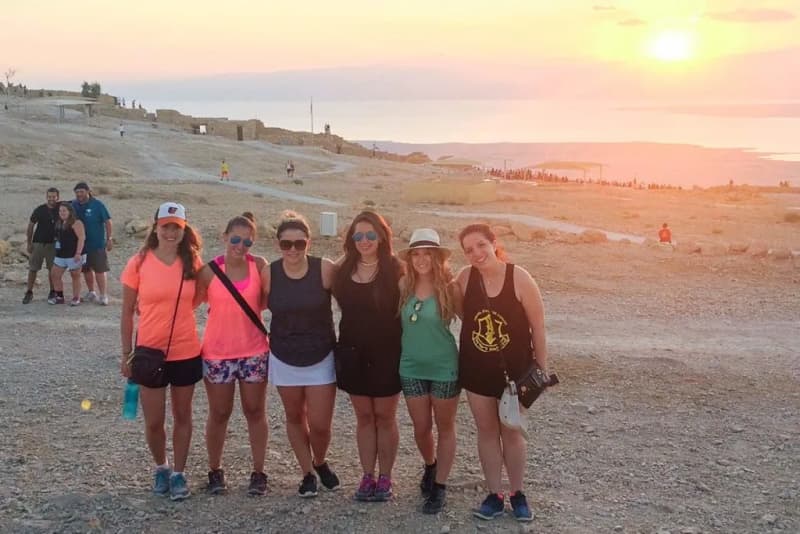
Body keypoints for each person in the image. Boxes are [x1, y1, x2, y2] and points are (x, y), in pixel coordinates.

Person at [456, 223, 549, 522]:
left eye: (481, 245)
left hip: (516, 374)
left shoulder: (519, 278)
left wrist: (542, 371)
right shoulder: (465, 278)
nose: (476, 253)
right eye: (469, 250)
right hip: (476, 371)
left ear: (494, 243)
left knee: (512, 432)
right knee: (486, 431)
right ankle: (494, 495)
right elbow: (457, 311)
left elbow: (538, 327)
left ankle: (517, 493)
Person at [120, 202, 204, 501]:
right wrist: (126, 354)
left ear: (184, 230)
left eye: (176, 227)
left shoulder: (193, 262)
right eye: (165, 226)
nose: (170, 232)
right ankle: (161, 467)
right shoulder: (138, 263)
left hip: (186, 350)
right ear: (156, 227)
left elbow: (197, 299)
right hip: (148, 352)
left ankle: (179, 473)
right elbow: (127, 312)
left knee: (183, 415)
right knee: (154, 421)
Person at [264, 211, 340, 498]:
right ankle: (307, 472)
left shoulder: (324, 269)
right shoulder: (269, 273)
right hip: (284, 355)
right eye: (286, 244)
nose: (293, 249)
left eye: (300, 243)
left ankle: (320, 460)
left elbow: (352, 298)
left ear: (309, 242)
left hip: (321, 355)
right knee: (294, 416)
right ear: (278, 245)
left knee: (320, 425)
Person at [196, 212, 270, 496]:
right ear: (224, 237)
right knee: (219, 413)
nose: (240, 246)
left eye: (247, 242)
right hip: (218, 353)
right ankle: (215, 470)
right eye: (235, 240)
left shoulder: (259, 266)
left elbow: (267, 301)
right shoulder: (208, 271)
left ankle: (259, 472)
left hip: (254, 351)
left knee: (255, 411)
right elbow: (189, 301)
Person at [333, 210, 404, 502]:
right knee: (363, 417)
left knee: (385, 416)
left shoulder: (397, 269)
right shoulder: (342, 269)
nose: (364, 241)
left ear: (382, 237)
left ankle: (385, 476)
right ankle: (367, 475)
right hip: (353, 353)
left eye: (370, 235)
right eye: (358, 236)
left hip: (388, 353)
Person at [397, 228, 462, 514]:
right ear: (410, 258)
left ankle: (440, 486)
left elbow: (472, 322)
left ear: (437, 257)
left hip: (444, 366)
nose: (421, 259)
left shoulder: (450, 288)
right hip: (410, 366)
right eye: (416, 254)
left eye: (427, 253)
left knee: (445, 427)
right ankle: (430, 465)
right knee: (421, 427)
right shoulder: (403, 285)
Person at [71, 182, 113, 305]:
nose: (79, 194)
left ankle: (103, 295)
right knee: (86, 269)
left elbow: (108, 222)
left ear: (88, 191)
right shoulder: (73, 205)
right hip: (80, 244)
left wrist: (109, 238)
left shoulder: (98, 205)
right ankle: (91, 292)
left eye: (81, 192)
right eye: (77, 192)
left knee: (100, 270)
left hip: (96, 244)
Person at [24, 187, 60, 304]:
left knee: (52, 270)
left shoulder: (61, 208)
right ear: (46, 197)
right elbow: (31, 226)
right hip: (38, 243)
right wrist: (29, 243)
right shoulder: (39, 209)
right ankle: (29, 292)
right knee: (33, 268)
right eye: (49, 196)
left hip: (53, 244)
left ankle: (52, 291)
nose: (51, 199)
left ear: (58, 197)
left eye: (54, 197)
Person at [48, 202, 86, 306]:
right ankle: (59, 297)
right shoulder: (59, 222)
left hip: (73, 254)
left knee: (75, 276)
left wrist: (78, 253)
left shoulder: (76, 223)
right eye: (60, 211)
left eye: (64, 210)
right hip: (60, 254)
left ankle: (76, 297)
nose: (62, 212)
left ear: (70, 211)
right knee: (54, 274)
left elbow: (81, 238)